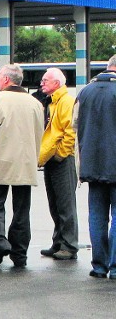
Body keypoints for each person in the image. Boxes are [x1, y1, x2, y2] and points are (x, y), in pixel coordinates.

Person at [0, 64, 44, 268]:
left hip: (0, 158)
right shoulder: (34, 103)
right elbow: (39, 133)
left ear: (6, 80)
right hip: (25, 161)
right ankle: (20, 253)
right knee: (22, 208)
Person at [75, 55, 116, 279]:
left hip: (91, 163)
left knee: (97, 214)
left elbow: (75, 125)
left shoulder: (84, 92)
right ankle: (115, 265)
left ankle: (99, 265)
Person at [38, 67, 79, 261]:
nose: (41, 83)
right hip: (51, 157)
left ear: (57, 83)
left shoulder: (66, 101)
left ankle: (69, 245)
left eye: (46, 80)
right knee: (55, 204)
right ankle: (58, 242)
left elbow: (70, 131)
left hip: (61, 159)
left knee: (65, 204)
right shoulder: (52, 101)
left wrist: (60, 154)